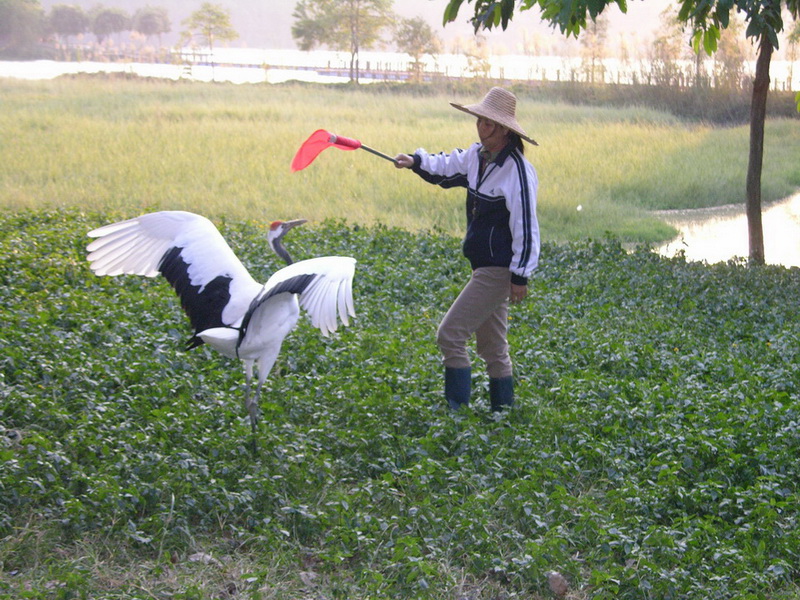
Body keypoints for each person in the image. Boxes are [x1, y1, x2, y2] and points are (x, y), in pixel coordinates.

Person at [394, 87, 540, 412]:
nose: (480, 128)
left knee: (450, 334)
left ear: (504, 129)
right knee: (493, 347)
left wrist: (520, 275)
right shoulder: (477, 157)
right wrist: (415, 161)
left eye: (488, 124)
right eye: (479, 121)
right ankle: (503, 416)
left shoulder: (517, 171)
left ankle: (455, 417)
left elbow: (526, 226)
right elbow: (445, 165)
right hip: (482, 266)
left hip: (498, 269)